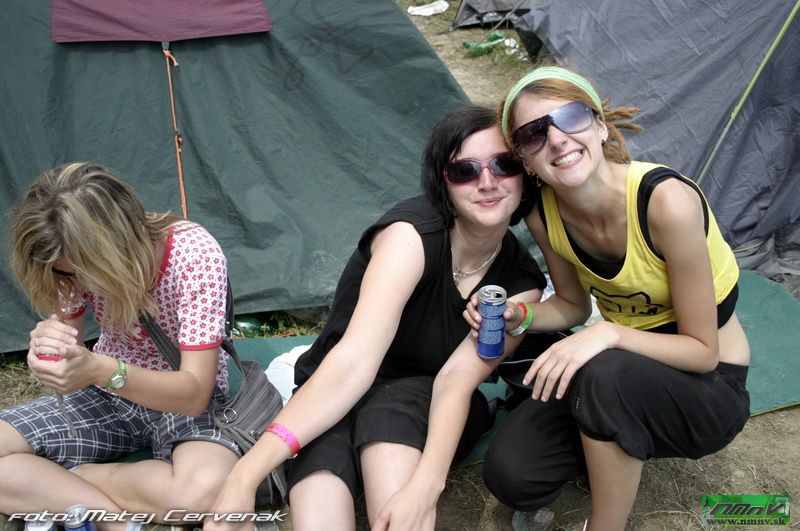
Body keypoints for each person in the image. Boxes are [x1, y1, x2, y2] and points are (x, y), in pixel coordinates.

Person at [208, 106, 547, 530]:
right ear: (442, 181)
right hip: (337, 386)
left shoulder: (520, 286)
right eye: (464, 170)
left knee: (391, 417)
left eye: (504, 164)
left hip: (427, 402)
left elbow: (456, 379)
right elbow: (353, 364)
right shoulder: (411, 237)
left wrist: (426, 487)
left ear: (524, 172)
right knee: (321, 472)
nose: (487, 182)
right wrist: (244, 476)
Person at [466, 66, 751, 530]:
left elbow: (703, 352)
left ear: (599, 126)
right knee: (513, 474)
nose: (556, 139)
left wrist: (610, 333)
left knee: (603, 371)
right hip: (617, 373)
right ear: (525, 160)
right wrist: (520, 314)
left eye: (571, 117)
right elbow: (573, 306)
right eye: (534, 133)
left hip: (709, 386)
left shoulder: (665, 202)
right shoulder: (544, 213)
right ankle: (618, 435)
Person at [0, 163, 239, 526]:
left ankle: (68, 481)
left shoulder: (194, 255)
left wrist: (103, 370)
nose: (77, 282)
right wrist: (50, 351)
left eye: (83, 271)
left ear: (117, 244)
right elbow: (68, 339)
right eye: (66, 273)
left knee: (201, 493)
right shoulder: (68, 260)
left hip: (182, 401)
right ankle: (115, 520)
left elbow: (194, 393)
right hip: (107, 397)